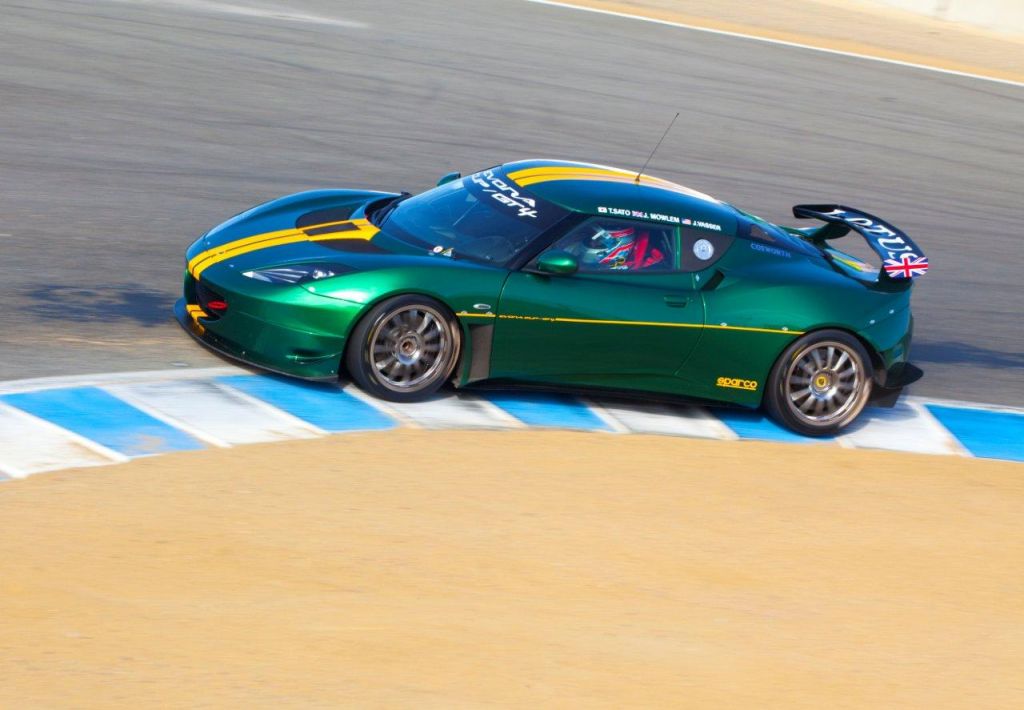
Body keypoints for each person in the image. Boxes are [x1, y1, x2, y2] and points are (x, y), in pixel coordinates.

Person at [578, 225, 665, 271]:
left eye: (599, 242)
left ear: (619, 247)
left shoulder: (630, 270)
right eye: (592, 238)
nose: (591, 242)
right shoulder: (573, 247)